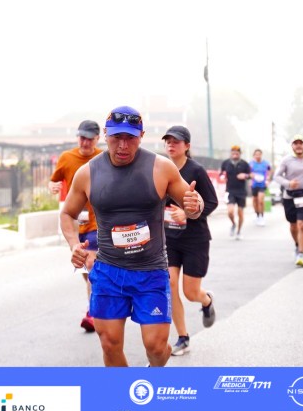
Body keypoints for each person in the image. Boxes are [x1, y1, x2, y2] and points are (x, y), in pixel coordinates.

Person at [59, 106, 205, 367]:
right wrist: (73, 245)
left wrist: (194, 206)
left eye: (130, 138)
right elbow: (67, 214)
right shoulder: (88, 173)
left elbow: (193, 205)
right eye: (117, 137)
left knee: (156, 348)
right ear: (106, 135)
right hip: (108, 271)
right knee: (109, 343)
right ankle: (127, 391)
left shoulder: (161, 168)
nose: (123, 145)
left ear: (142, 136)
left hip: (150, 271)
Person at [161, 125, 219, 356]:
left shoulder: (196, 170)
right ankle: (183, 337)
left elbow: (212, 202)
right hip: (170, 238)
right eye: (168, 141)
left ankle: (206, 301)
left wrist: (186, 213)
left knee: (190, 292)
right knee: (170, 284)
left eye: (176, 141)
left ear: (187, 146)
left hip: (195, 239)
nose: (171, 144)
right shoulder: (160, 169)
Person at [49, 119, 103, 332]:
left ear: (97, 139)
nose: (85, 142)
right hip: (74, 225)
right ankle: (96, 306)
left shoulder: (102, 158)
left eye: (89, 139)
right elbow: (54, 180)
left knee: (91, 264)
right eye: (82, 138)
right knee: (85, 270)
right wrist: (52, 186)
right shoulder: (67, 157)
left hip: (96, 222)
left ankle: (92, 313)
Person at [273, 135, 303, 267]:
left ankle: (300, 253)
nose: (299, 145)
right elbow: (276, 176)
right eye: (296, 143)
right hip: (289, 196)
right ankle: (297, 244)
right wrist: (288, 183)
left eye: (301, 143)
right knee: (293, 225)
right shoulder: (286, 160)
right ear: (292, 146)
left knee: (302, 224)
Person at [220, 145, 251, 239]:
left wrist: (245, 176)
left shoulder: (244, 164)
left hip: (241, 191)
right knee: (230, 211)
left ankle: (239, 231)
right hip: (230, 191)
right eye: (233, 153)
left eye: (237, 153)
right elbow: (221, 173)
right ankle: (233, 224)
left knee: (240, 213)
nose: (235, 155)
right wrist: (222, 176)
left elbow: (251, 175)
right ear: (231, 153)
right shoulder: (226, 163)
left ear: (240, 154)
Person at [249, 148, 272, 226]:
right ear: (254, 155)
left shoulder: (266, 163)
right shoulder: (251, 164)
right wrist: (250, 176)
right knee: (255, 201)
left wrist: (268, 179)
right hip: (254, 184)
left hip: (262, 184)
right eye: (256, 154)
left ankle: (262, 217)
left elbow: (269, 171)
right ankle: (257, 215)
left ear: (261, 155)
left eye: (259, 154)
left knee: (261, 200)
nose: (258, 156)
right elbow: (248, 173)